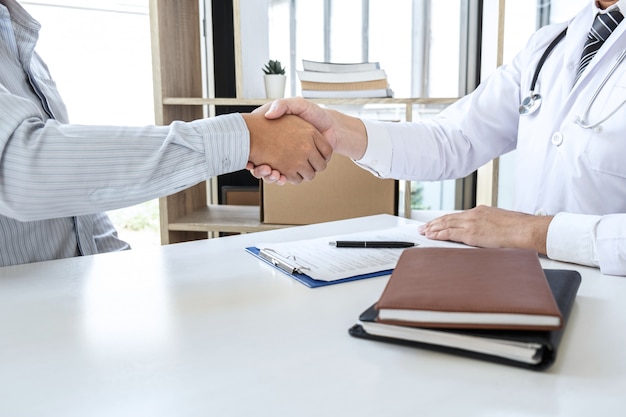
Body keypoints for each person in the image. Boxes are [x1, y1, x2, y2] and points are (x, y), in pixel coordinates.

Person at [249, 0, 626, 276]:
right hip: (531, 282)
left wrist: (534, 232)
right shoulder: (550, 44)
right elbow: (454, 139)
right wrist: (337, 129)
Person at [0, 0, 331, 267]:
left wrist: (119, 265)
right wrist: (248, 136)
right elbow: (22, 169)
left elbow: (73, 200)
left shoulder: (19, 40)